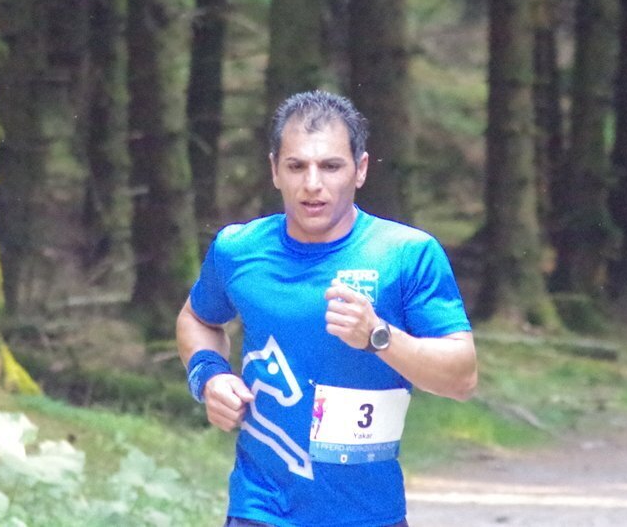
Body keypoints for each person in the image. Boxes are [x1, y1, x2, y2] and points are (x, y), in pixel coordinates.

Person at [176, 90, 477, 527]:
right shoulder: (238, 250)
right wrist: (209, 376)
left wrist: (378, 336)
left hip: (369, 514)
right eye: (296, 166)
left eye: (331, 166)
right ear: (274, 170)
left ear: (361, 169)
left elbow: (462, 377)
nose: (312, 184)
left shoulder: (406, 254)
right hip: (261, 508)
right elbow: (197, 318)